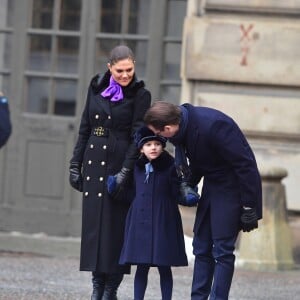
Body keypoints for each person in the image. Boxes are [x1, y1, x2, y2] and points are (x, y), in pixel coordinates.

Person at [144, 101, 262, 300]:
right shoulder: (183, 129)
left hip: (232, 187)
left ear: (169, 128)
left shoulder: (213, 125)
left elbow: (246, 165)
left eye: (160, 134)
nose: (159, 139)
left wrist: (249, 205)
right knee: (201, 247)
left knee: (223, 250)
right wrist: (188, 184)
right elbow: (201, 160)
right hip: (212, 186)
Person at [69, 45, 151, 300]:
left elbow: (138, 136)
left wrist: (126, 171)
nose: (125, 75)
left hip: (119, 165)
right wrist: (75, 164)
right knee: (95, 229)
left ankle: (110, 289)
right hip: (94, 162)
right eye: (119, 71)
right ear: (110, 67)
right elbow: (85, 128)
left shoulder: (140, 95)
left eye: (129, 70)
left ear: (134, 66)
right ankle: (97, 287)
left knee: (114, 232)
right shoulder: (95, 89)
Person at [108, 126, 189, 300]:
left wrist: (187, 196)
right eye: (148, 144)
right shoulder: (137, 167)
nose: (153, 147)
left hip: (163, 219)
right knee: (142, 266)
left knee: (164, 265)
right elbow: (131, 193)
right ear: (141, 148)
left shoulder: (170, 167)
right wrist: (115, 188)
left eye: (157, 144)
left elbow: (177, 192)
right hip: (140, 220)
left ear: (163, 146)